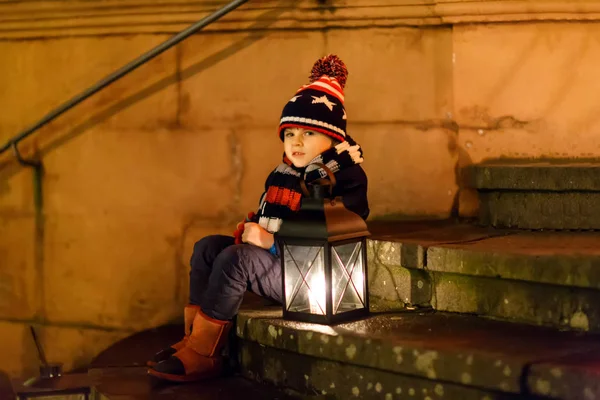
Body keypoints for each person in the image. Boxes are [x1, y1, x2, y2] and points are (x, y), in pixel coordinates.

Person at [148, 54, 369, 382]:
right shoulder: (283, 173)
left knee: (237, 260)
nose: (295, 141)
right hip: (281, 263)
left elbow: (335, 233)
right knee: (207, 248)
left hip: (311, 278)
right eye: (289, 132)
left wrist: (272, 242)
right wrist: (255, 230)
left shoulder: (341, 176)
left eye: (307, 133)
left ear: (333, 137)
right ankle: (193, 337)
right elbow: (269, 216)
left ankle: (205, 352)